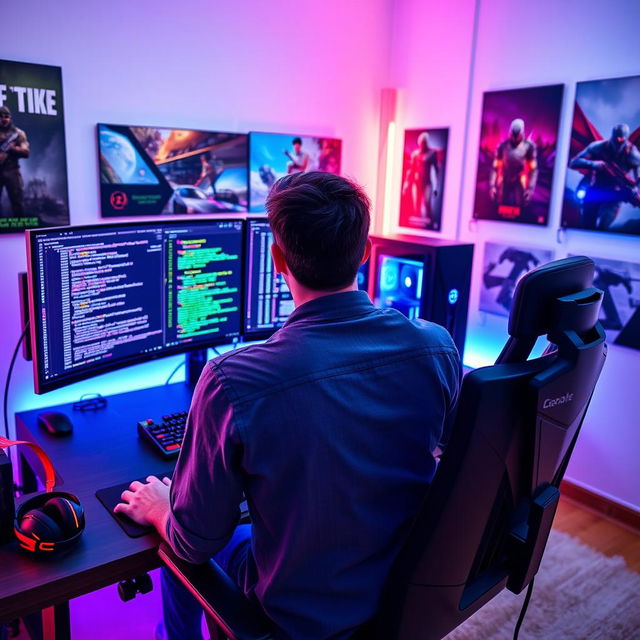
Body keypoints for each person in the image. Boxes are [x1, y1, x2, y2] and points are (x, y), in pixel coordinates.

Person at [115, 171, 460, 640]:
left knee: (178, 550)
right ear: (364, 252)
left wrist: (159, 508)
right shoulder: (437, 348)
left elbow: (194, 543)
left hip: (299, 621)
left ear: (277, 259)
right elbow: (452, 465)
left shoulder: (232, 381)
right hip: (401, 595)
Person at [569, 123, 640, 230]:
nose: (617, 143)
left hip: (615, 194)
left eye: (621, 140)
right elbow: (574, 162)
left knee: (603, 226)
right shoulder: (598, 147)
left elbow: (637, 177)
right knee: (586, 226)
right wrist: (593, 164)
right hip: (595, 190)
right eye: (615, 139)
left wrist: (635, 189)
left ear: (626, 139)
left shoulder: (632, 154)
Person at [489, 118, 537, 210]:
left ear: (522, 133)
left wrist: (530, 189)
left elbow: (533, 170)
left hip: (519, 180)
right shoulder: (502, 147)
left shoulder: (528, 147)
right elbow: (495, 167)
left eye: (517, 135)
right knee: (499, 205)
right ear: (510, 132)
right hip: (505, 178)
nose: (515, 138)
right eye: (513, 134)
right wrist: (492, 186)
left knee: (521, 206)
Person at [402, 131, 440, 224]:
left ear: (426, 143)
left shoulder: (432, 154)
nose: (422, 145)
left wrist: (436, 187)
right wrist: (406, 185)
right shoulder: (415, 154)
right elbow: (410, 170)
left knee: (427, 204)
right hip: (416, 182)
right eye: (421, 143)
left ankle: (430, 223)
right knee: (416, 206)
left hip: (427, 183)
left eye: (424, 143)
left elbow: (436, 170)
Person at [0, 106, 30, 217]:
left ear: (10, 118)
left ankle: (21, 231)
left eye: (6, 116)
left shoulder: (18, 133)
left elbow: (26, 152)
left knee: (17, 203)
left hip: (12, 171)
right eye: (1, 117)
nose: (4, 119)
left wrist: (12, 149)